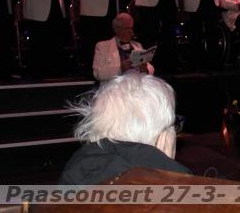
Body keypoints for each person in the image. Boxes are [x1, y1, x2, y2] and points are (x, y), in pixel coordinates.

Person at [59, 72, 190, 185]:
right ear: (163, 137)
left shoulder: (76, 170)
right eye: (174, 125)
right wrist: (166, 168)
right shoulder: (182, 187)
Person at [92, 13, 154, 81]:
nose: (131, 32)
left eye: (131, 28)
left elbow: (151, 68)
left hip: (136, 85)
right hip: (114, 86)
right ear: (117, 29)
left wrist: (145, 69)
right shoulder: (103, 46)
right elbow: (97, 73)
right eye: (127, 28)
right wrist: (121, 68)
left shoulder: (137, 45)